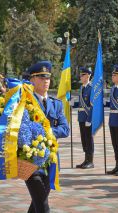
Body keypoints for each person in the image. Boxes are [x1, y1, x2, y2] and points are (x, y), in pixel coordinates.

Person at [27, 60, 70, 212]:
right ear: (32, 79)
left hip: (51, 159)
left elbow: (65, 129)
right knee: (43, 205)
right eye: (41, 77)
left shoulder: (56, 104)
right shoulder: (25, 103)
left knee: (37, 204)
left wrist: (46, 131)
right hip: (31, 161)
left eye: (47, 78)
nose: (45, 81)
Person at [76, 67, 94, 169]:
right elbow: (80, 104)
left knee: (88, 138)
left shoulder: (91, 88)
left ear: (88, 76)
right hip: (81, 117)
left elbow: (92, 106)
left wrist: (90, 119)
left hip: (88, 118)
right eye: (81, 75)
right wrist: (72, 104)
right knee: (84, 139)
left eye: (83, 75)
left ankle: (90, 161)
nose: (81, 77)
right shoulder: (82, 88)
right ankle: (86, 160)